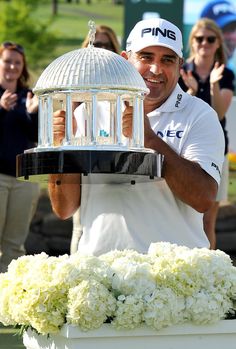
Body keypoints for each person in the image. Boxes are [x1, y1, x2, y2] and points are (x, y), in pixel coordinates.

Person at [48, 18, 225, 256]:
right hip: (99, 270)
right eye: (146, 56)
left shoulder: (200, 115)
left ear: (180, 65)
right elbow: (64, 208)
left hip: (171, 276)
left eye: (167, 59)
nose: (155, 69)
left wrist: (149, 140)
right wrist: (61, 150)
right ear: (125, 60)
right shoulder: (89, 111)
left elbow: (203, 198)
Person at [179, 18, 234, 249]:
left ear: (218, 43)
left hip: (214, 151)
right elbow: (176, 110)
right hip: (182, 150)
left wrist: (212, 85)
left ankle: (206, 275)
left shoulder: (225, 74)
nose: (205, 43)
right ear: (192, 42)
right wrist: (190, 90)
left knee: (207, 221)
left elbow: (219, 114)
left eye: (210, 39)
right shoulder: (181, 71)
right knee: (181, 218)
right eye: (199, 38)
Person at [70, 24, 121, 254]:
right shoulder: (76, 80)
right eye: (95, 44)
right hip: (81, 166)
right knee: (80, 228)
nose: (100, 49)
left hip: (114, 170)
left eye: (106, 44)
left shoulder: (123, 80)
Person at [0, 41, 40, 272]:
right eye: (7, 61)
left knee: (15, 246)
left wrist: (33, 114)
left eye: (17, 62)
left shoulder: (28, 96)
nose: (12, 67)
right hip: (0, 178)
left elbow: (36, 136)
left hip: (24, 180)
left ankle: (6, 301)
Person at [200, 0, 236, 74]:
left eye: (233, 29)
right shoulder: (185, 71)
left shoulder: (231, 70)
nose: (230, 37)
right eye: (222, 30)